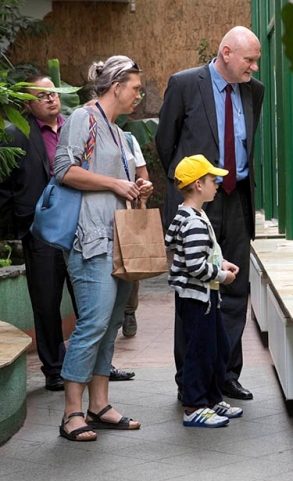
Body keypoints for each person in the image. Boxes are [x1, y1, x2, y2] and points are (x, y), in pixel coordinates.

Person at [156, 26, 265, 401]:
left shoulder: (254, 91)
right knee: (194, 291)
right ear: (226, 53)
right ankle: (191, 380)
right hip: (199, 201)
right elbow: (166, 143)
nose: (254, 67)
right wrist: (190, 190)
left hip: (237, 200)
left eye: (256, 61)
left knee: (235, 289)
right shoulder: (185, 84)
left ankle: (226, 375)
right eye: (249, 60)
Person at [52, 55, 152, 441]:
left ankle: (99, 405)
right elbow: (64, 169)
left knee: (110, 324)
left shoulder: (118, 131)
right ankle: (71, 413)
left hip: (119, 240)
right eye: (135, 88)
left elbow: (115, 181)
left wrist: (137, 188)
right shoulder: (84, 118)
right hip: (90, 239)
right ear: (116, 86)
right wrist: (114, 183)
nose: (139, 95)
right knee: (93, 323)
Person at [0, 75, 74, 392]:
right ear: (27, 105)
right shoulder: (15, 134)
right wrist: (23, 226)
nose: (50, 98)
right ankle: (54, 369)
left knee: (89, 299)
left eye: (52, 93)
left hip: (78, 226)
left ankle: (96, 364)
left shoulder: (74, 128)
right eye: (41, 95)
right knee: (46, 303)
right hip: (41, 231)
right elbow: (4, 187)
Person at [164, 154, 243, 427]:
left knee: (216, 348)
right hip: (198, 298)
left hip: (204, 296)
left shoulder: (193, 215)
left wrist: (221, 262)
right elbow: (196, 266)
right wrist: (223, 276)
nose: (217, 185)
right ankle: (194, 405)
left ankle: (211, 398)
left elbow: (203, 254)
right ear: (198, 185)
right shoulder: (195, 222)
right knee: (200, 352)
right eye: (212, 180)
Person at [121, 132, 148, 341]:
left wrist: (142, 189)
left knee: (132, 263)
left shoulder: (128, 139)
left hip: (127, 209)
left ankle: (129, 311)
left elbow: (142, 173)